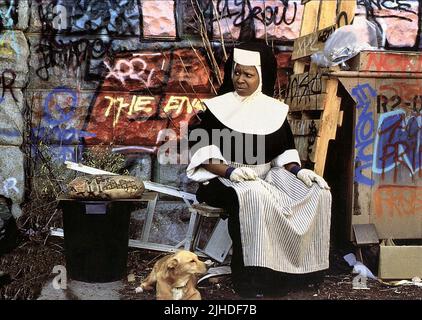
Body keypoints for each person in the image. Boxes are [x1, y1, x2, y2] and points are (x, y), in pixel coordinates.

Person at [186, 41, 332, 297]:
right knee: (254, 194)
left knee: (318, 192)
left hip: (265, 174)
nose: (240, 79)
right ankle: (254, 278)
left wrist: (299, 172)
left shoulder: (274, 111)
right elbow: (204, 155)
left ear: (262, 76)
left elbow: (283, 155)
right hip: (222, 179)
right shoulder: (215, 109)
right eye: (236, 72)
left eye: (248, 74)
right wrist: (231, 172)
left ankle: (298, 272)